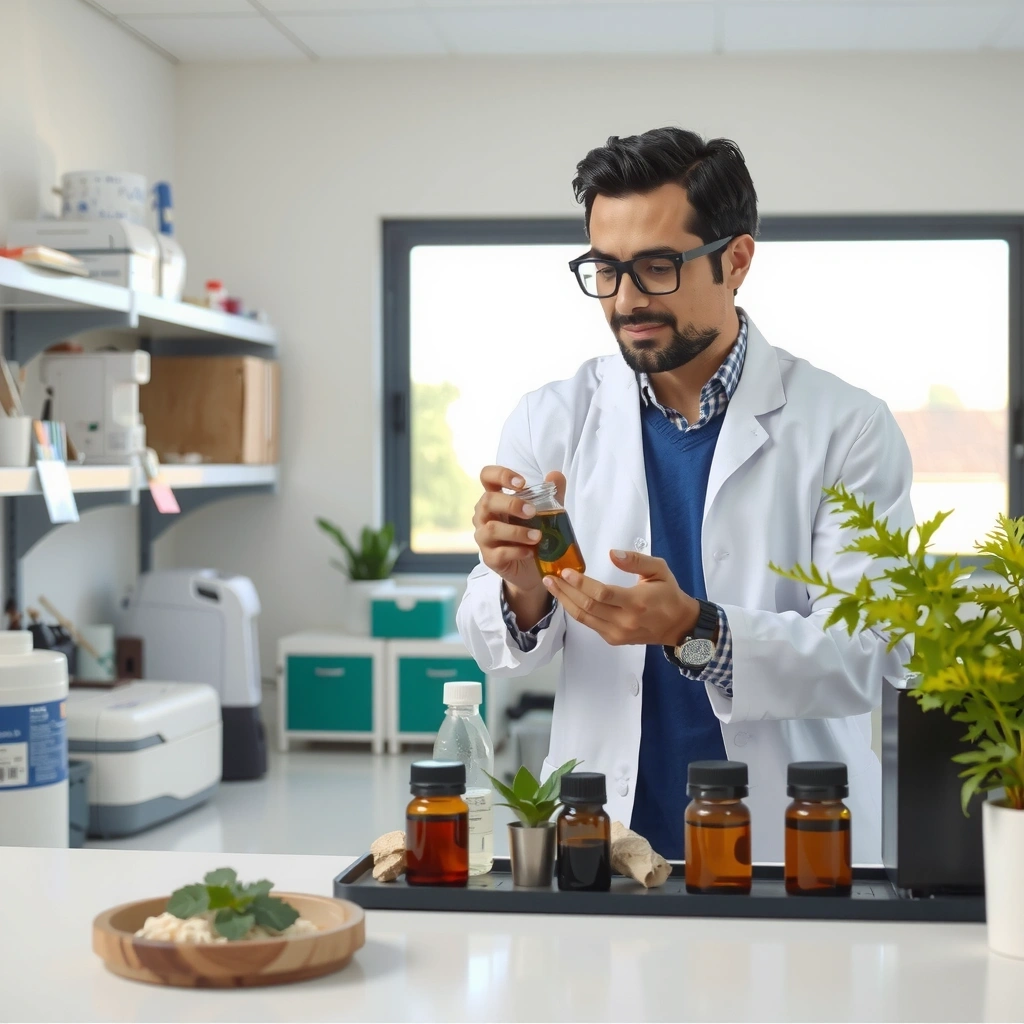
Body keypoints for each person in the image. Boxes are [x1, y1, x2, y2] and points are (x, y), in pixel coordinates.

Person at [456, 127, 913, 863]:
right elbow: (492, 643)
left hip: (788, 837)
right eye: (604, 269)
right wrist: (520, 592)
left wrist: (698, 630)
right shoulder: (551, 419)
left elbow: (874, 650)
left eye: (658, 266)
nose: (627, 298)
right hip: (600, 834)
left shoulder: (847, 427)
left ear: (736, 260)